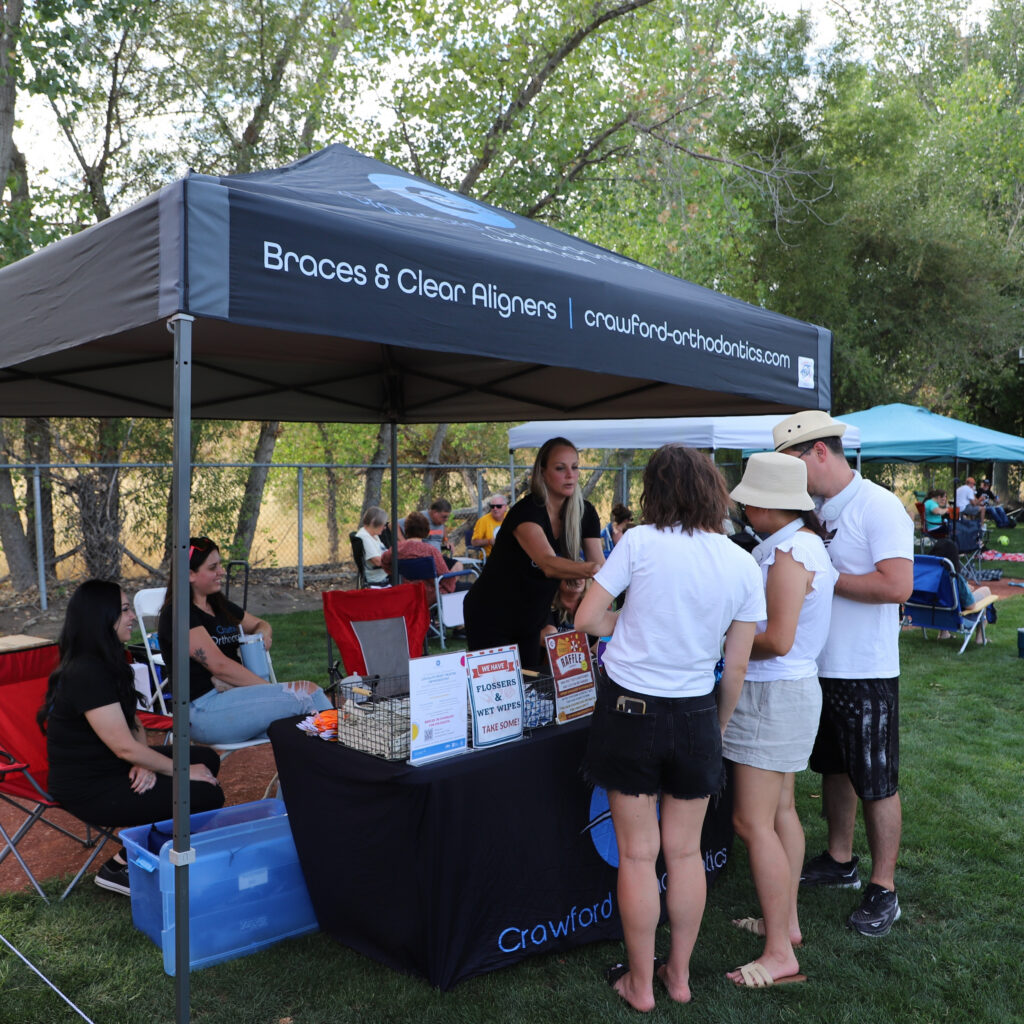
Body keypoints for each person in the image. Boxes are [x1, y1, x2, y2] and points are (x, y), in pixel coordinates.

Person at [575, 444, 764, 1011]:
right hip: (696, 715)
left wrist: (624, 621)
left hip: (630, 712)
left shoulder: (638, 542)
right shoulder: (740, 561)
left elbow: (586, 620)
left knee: (638, 855)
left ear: (654, 491)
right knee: (683, 855)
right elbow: (734, 666)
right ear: (712, 491)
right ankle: (676, 976)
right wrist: (718, 724)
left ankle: (639, 983)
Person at [774, 411, 913, 938]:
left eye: (791, 463)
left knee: (876, 779)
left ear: (819, 453)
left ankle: (884, 887)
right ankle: (839, 859)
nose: (788, 475)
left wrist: (827, 577)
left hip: (865, 668)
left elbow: (898, 585)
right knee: (834, 767)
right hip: (818, 666)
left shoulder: (877, 505)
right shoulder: (813, 508)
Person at [722, 452, 837, 987]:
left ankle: (778, 954)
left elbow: (778, 639)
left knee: (752, 822)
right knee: (781, 811)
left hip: (773, 695)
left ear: (768, 504)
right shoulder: (797, 543)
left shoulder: (790, 549)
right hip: (785, 693)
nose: (741, 504)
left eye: (747, 497)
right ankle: (784, 925)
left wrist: (720, 640)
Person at [39, 579, 225, 895]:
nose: (131, 617)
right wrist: (180, 772)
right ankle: (122, 865)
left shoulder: (109, 659)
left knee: (206, 759)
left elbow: (133, 722)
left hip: (114, 766)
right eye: (124, 610)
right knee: (206, 794)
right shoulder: (86, 672)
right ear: (102, 618)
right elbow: (123, 746)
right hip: (89, 787)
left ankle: (139, 850)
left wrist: (146, 763)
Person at [157, 537, 332, 746]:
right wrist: (271, 690)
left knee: (301, 721)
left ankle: (312, 773)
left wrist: (262, 635)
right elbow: (219, 666)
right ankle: (343, 762)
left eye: (220, 565)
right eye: (213, 567)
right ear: (190, 574)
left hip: (232, 697)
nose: (221, 572)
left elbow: (260, 624)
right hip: (202, 710)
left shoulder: (218, 604)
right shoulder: (178, 613)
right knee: (308, 695)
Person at [463, 437, 603, 670]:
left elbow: (599, 562)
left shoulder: (586, 512)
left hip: (532, 617)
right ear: (543, 473)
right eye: (560, 468)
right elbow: (548, 563)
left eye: (575, 467)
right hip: (491, 613)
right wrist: (591, 570)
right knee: (497, 695)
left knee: (530, 688)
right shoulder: (526, 512)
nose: (570, 474)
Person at [381, 510, 467, 592]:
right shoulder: (431, 551)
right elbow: (444, 576)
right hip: (431, 594)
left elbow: (384, 562)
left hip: (407, 591)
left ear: (406, 529)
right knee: (467, 586)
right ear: (426, 530)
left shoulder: (396, 549)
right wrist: (450, 586)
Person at [929, 538, 993, 643]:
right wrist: (967, 591)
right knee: (986, 590)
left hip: (931, 614)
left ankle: (944, 633)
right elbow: (970, 606)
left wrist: (965, 589)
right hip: (956, 618)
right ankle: (980, 638)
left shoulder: (927, 575)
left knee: (945, 598)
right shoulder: (954, 577)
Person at [398, 499, 455, 565]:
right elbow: (393, 525)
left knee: (457, 566)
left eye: (448, 517)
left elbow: (443, 529)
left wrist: (446, 540)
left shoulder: (440, 521)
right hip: (422, 559)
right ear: (434, 512)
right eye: (444, 517)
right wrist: (404, 542)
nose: (446, 519)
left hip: (437, 558)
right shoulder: (420, 518)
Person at [355, 506, 389, 585]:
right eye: (383, 525)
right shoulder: (364, 537)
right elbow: (377, 561)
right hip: (379, 580)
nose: (384, 528)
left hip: (385, 574)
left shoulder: (373, 535)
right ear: (374, 523)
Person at [470, 493, 509, 560]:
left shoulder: (511, 518)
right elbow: (474, 542)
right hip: (490, 557)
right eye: (492, 506)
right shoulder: (483, 521)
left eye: (498, 506)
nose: (495, 509)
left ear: (505, 507)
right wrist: (489, 541)